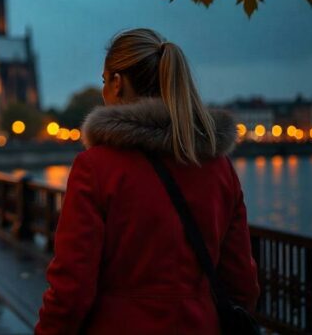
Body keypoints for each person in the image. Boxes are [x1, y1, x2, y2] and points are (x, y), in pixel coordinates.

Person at [35, 29, 259, 334]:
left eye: (104, 81)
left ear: (117, 83)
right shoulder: (219, 168)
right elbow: (242, 284)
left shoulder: (95, 168)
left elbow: (72, 288)